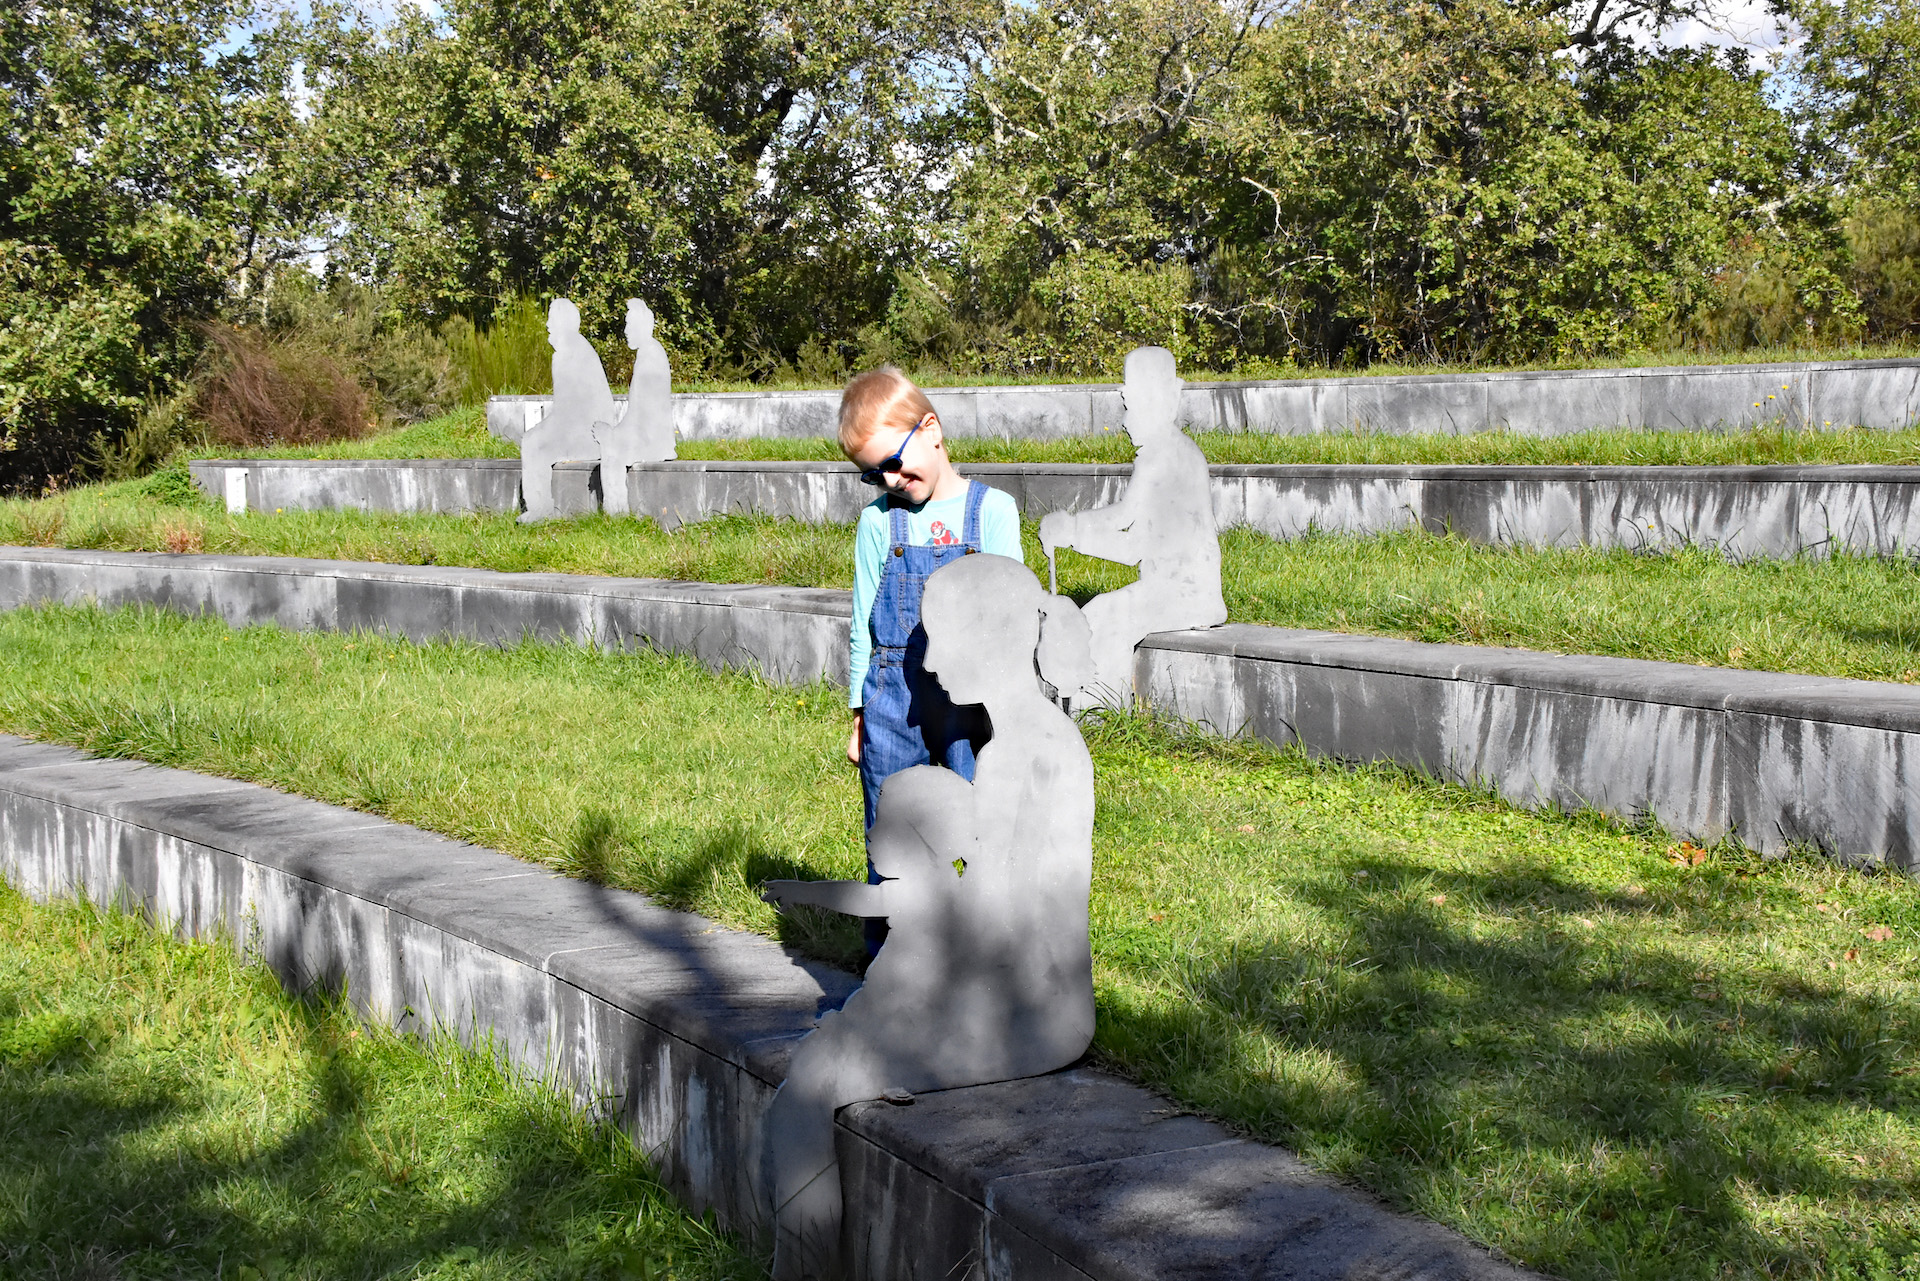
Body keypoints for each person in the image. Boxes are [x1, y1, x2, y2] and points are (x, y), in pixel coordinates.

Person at [761, 553, 1096, 1281]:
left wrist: (902, 1009)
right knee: (818, 1068)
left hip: (1036, 1017)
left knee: (808, 1091)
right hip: (1016, 997)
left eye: (941, 638)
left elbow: (1001, 926)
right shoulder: (1019, 745)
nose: (932, 663)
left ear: (991, 635)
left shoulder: (1028, 755)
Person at [837, 367, 1023, 947]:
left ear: (932, 430)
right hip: (894, 699)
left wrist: (1014, 710)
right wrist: (860, 715)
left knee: (986, 829)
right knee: (894, 834)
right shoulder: (877, 522)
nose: (890, 479)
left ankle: (987, 961)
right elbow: (863, 624)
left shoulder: (992, 512)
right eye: (873, 474)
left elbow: (1014, 615)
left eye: (894, 462)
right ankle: (892, 967)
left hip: (973, 700)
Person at [1038, 346, 1226, 702]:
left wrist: (1072, 530)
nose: (1124, 422)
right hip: (1183, 590)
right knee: (1099, 613)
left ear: (1159, 402)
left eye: (1130, 407)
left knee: (1105, 618)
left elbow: (1124, 523)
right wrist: (1072, 531)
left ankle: (1099, 710)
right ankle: (1089, 706)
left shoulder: (1162, 456)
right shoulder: (1176, 450)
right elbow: (1133, 538)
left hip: (1186, 594)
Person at [520, 297, 614, 522]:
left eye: (552, 320)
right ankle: (539, 508)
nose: (547, 326)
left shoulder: (566, 354)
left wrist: (538, 432)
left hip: (589, 436)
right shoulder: (579, 347)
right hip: (592, 430)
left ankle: (540, 510)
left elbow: (565, 412)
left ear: (564, 322)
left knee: (532, 443)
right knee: (534, 439)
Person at [594, 297, 676, 516]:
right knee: (610, 440)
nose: (625, 331)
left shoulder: (650, 354)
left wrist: (612, 433)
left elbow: (641, 414)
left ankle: (616, 513)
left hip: (652, 439)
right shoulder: (650, 351)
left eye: (629, 325)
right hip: (652, 434)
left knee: (611, 448)